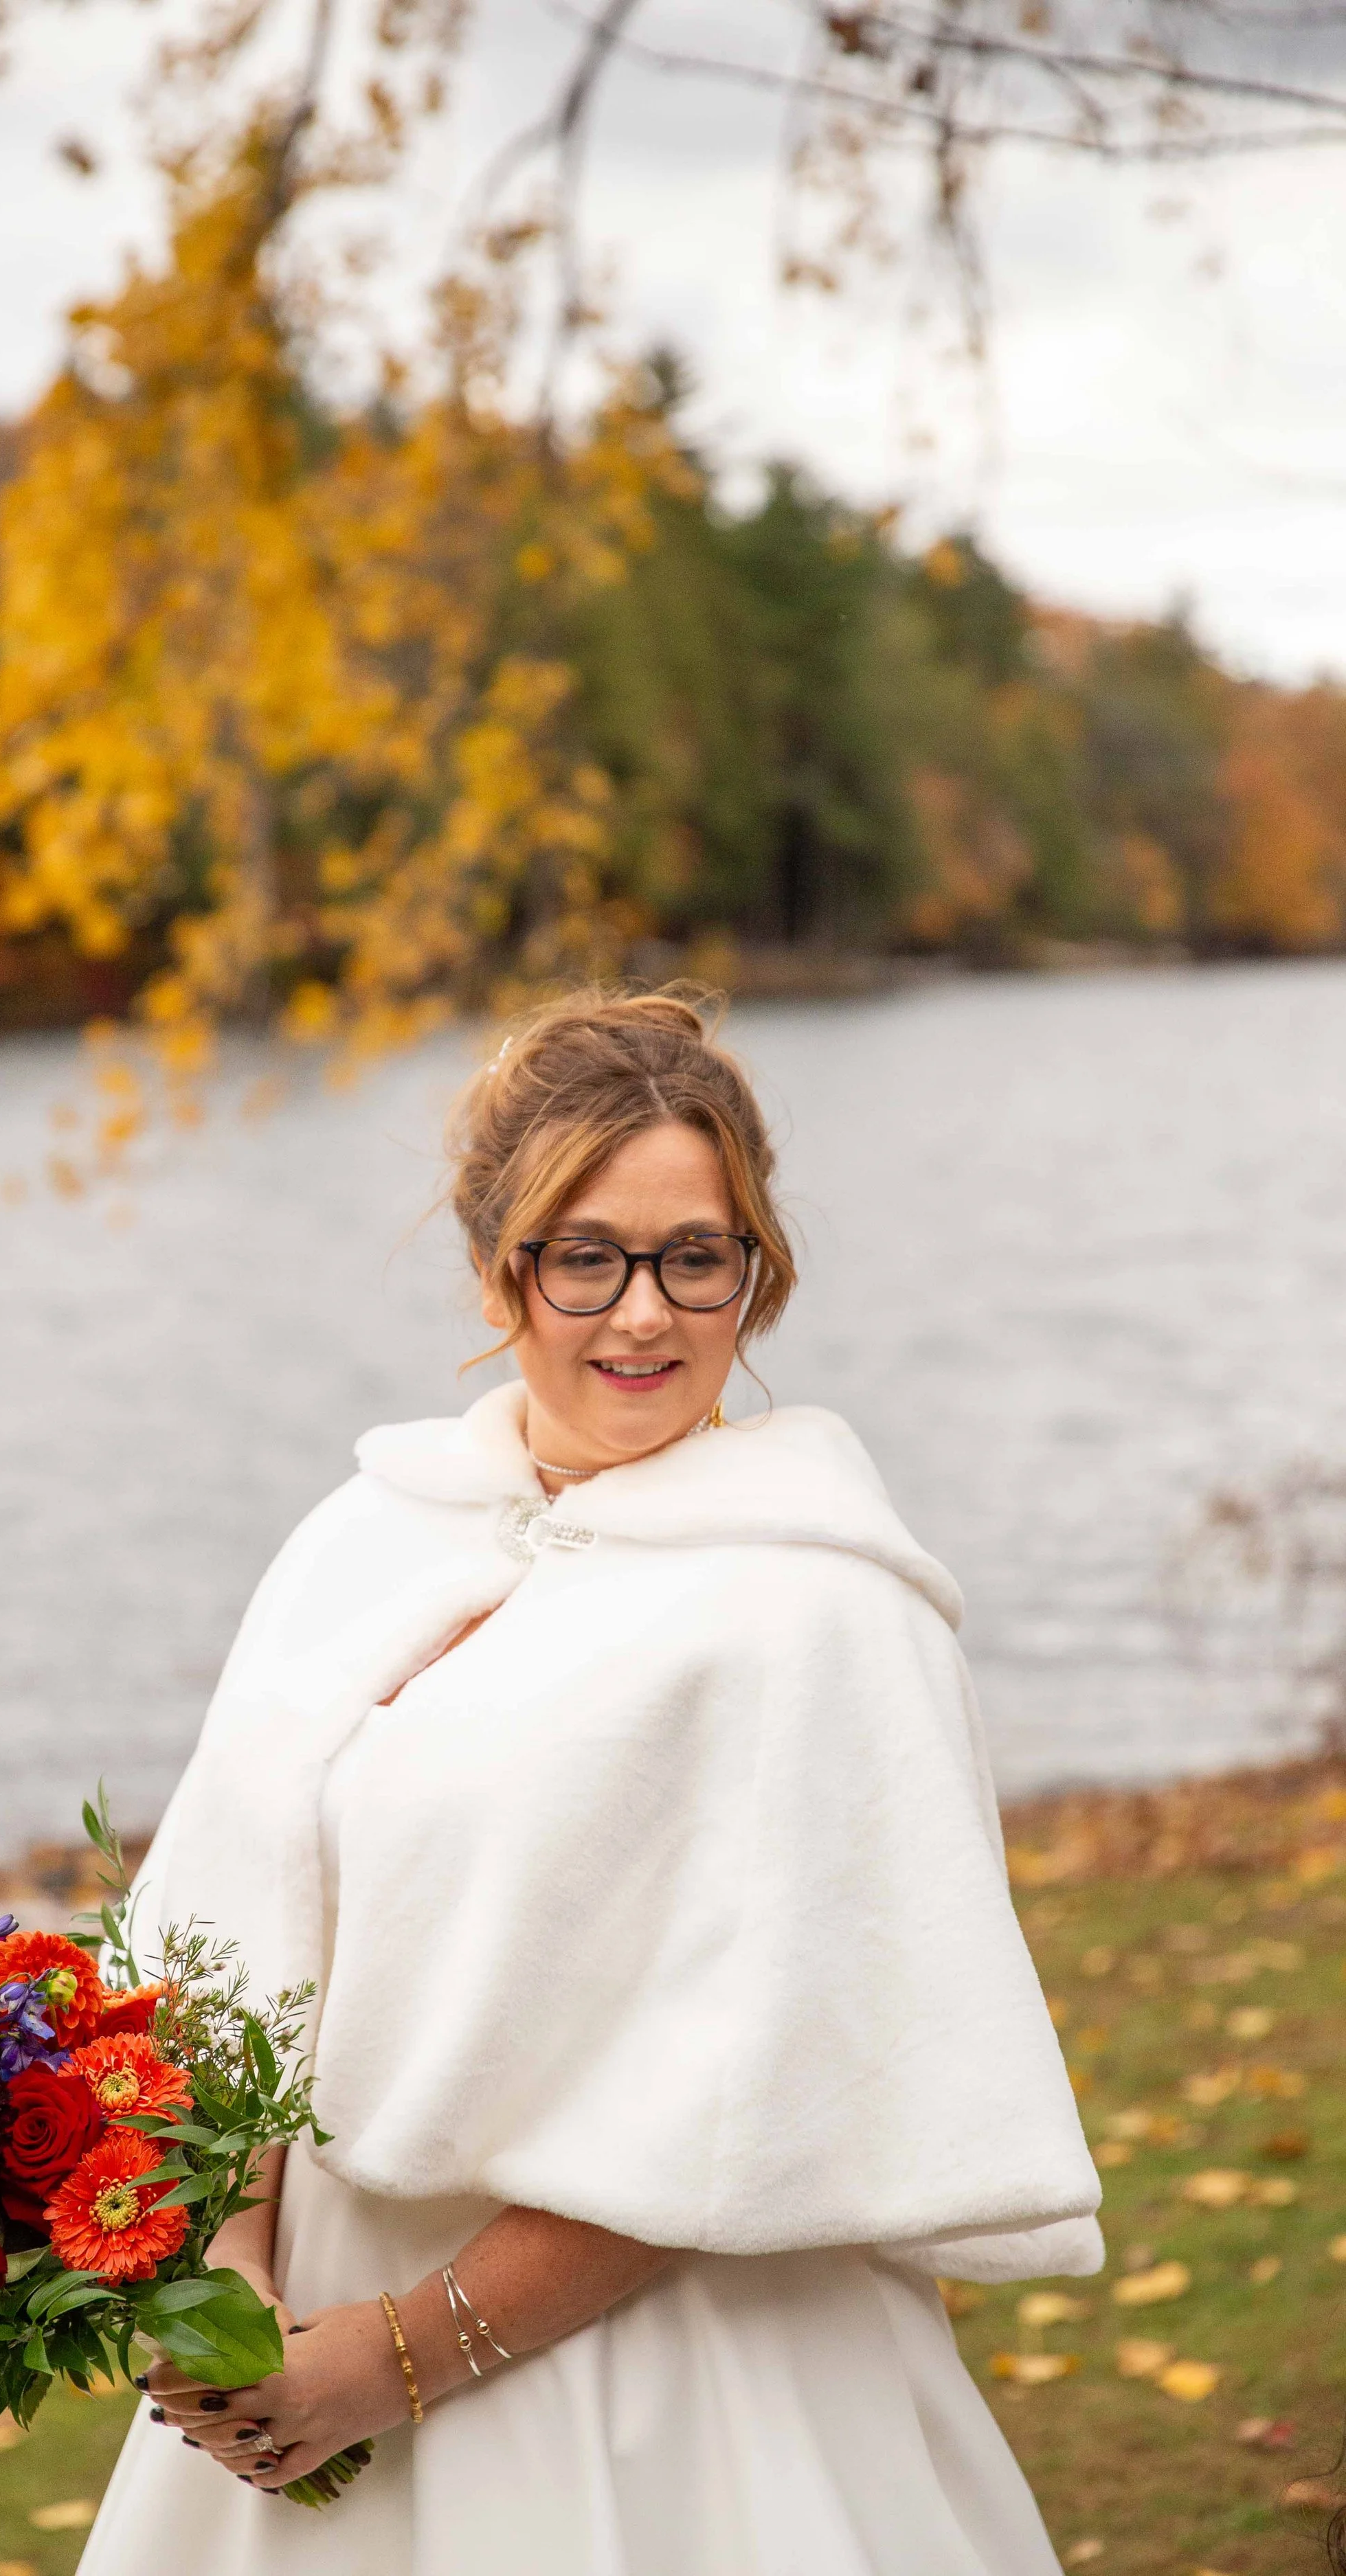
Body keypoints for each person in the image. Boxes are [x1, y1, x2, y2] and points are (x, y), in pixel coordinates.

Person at [78, 987, 1102, 2576]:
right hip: (292, 2351)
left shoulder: (819, 1612)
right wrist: (227, 2294)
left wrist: (395, 2356)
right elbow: (222, 1946)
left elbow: (759, 2086)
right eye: (586, 1255)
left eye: (695, 1255)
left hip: (667, 2383)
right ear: (503, 1269)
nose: (643, 1315)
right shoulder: (368, 1535)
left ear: (754, 1275)